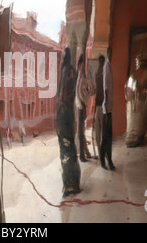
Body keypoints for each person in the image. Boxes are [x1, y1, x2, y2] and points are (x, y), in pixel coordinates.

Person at [56, 47, 81, 197]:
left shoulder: (67, 71)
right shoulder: (71, 72)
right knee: (69, 147)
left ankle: (70, 185)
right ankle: (72, 183)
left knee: (66, 148)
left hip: (63, 114)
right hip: (67, 113)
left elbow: (64, 96)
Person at [101, 48, 115, 170]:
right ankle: (107, 161)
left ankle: (105, 160)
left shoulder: (108, 65)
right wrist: (105, 109)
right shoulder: (106, 66)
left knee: (107, 137)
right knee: (107, 138)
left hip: (108, 108)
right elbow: (105, 88)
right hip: (106, 109)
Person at [76, 54, 91, 162]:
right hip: (81, 106)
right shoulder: (81, 77)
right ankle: (82, 154)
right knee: (81, 132)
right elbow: (81, 93)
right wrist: (86, 98)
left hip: (79, 105)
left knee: (81, 131)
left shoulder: (78, 75)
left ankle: (85, 153)